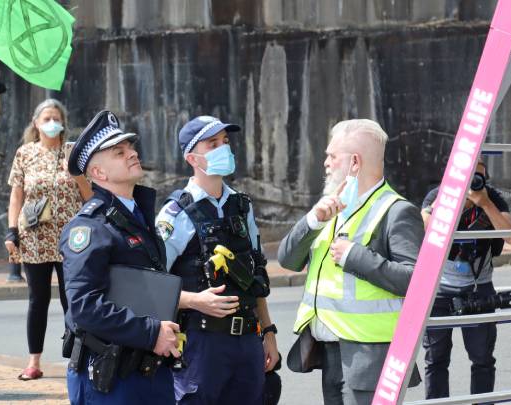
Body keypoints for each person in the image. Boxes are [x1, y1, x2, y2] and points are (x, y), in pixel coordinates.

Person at [277, 119, 423, 405]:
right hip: (331, 352)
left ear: (355, 162)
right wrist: (312, 220)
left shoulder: (397, 211)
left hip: (371, 356)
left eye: (332, 156)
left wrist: (355, 256)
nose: (326, 163)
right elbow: (287, 259)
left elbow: (416, 280)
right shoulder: (332, 206)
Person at [156, 115, 279, 405]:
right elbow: (152, 285)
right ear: (192, 158)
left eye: (225, 142)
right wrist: (194, 300)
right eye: (213, 143)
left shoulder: (242, 206)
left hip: (248, 339)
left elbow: (255, 275)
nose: (224, 148)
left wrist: (269, 332)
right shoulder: (175, 214)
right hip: (201, 345)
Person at [60, 110, 181, 404]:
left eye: (130, 148)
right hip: (110, 378)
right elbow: (84, 307)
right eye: (119, 152)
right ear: (99, 174)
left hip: (148, 369)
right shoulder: (89, 227)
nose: (132, 154)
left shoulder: (136, 215)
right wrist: (152, 333)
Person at [5, 98, 91, 381]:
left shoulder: (73, 152)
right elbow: (17, 195)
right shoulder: (24, 154)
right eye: (46, 118)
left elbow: (88, 193)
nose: (52, 123)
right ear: (36, 123)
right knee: (37, 300)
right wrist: (11, 232)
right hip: (35, 237)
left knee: (73, 299)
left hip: (73, 239)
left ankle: (78, 357)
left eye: (56, 118)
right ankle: (33, 361)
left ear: (63, 122)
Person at [421, 157, 511, 399]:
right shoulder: (438, 196)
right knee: (436, 359)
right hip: (439, 290)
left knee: (482, 357)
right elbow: (429, 229)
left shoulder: (491, 197)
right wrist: (458, 203)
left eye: (480, 175)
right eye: (469, 175)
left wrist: (485, 204)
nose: (474, 180)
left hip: (479, 288)